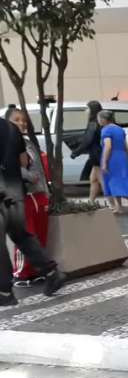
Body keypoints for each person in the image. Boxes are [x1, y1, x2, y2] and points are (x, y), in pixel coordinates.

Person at [0, 117, 66, 306]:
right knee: (21, 234)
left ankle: (4, 291)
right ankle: (52, 272)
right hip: (14, 189)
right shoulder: (10, 128)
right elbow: (23, 160)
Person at [5, 108, 51, 284]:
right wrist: (30, 176)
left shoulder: (28, 142)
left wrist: (46, 192)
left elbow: (38, 167)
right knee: (26, 234)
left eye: (24, 120)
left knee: (39, 233)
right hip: (20, 196)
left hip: (38, 195)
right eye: (17, 120)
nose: (22, 123)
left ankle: (38, 269)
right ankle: (22, 272)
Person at [98, 111, 128, 214]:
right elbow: (126, 147)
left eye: (99, 118)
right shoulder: (119, 129)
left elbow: (108, 147)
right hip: (121, 156)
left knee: (113, 182)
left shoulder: (106, 130)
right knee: (118, 180)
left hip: (112, 158)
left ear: (104, 119)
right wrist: (124, 158)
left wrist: (104, 162)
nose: (98, 121)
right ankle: (118, 207)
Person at [70, 101, 103, 203]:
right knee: (93, 179)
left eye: (87, 108)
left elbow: (87, 141)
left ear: (92, 110)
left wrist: (76, 152)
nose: (86, 110)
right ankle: (91, 202)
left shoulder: (93, 123)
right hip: (98, 155)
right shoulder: (98, 122)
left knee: (103, 182)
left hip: (96, 156)